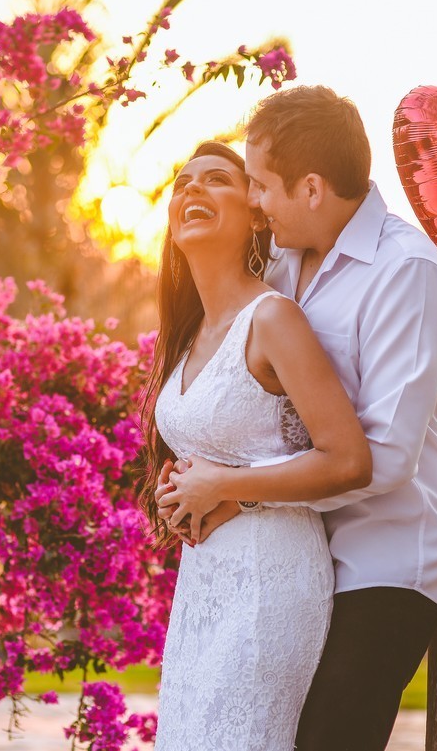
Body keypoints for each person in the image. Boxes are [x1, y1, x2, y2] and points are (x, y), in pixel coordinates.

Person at [157, 85, 437, 751]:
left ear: (313, 189)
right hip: (308, 549)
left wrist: (234, 490)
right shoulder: (285, 263)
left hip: (388, 557)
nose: (259, 205)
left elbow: (382, 457)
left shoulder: (406, 272)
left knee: (331, 740)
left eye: (262, 187)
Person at [139, 140, 373, 751]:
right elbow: (213, 451)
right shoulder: (189, 333)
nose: (191, 189)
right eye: (182, 182)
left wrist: (222, 486)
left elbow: (346, 459)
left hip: (270, 580)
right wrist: (179, 492)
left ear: (253, 214)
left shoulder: (273, 319)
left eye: (216, 180)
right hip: (204, 581)